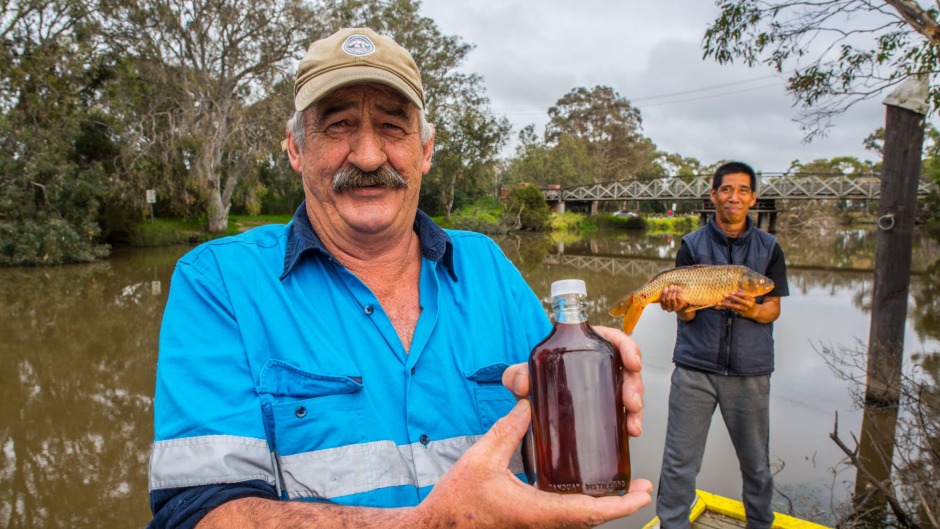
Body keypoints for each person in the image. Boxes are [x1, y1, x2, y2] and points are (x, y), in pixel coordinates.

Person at [147, 27, 651, 529]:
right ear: (296, 149)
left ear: (426, 151)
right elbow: (197, 514)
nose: (367, 156)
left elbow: (554, 432)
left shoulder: (489, 267)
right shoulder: (218, 281)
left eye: (392, 127)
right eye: (338, 125)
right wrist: (434, 523)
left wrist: (584, 375)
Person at [656, 161, 789, 529]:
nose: (734, 197)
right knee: (679, 462)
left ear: (753, 198)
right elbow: (687, 316)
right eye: (726, 189)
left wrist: (752, 309)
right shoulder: (692, 245)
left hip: (750, 371)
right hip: (694, 369)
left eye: (743, 190)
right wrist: (679, 308)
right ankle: (672, 525)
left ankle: (760, 524)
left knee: (756, 464)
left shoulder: (769, 248)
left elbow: (773, 307)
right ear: (713, 195)